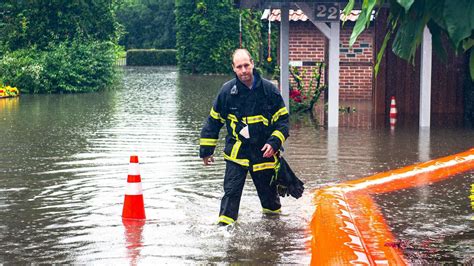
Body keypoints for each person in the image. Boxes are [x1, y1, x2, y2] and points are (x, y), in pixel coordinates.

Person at [199, 48, 289, 226]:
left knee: (271, 205)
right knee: (230, 197)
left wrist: (274, 142)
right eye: (239, 67)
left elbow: (283, 121)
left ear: (253, 64)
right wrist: (206, 151)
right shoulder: (226, 92)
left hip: (264, 154)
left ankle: (275, 234)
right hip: (237, 154)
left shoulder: (269, 90)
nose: (243, 70)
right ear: (233, 68)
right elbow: (213, 121)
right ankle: (225, 234)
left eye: (246, 65)